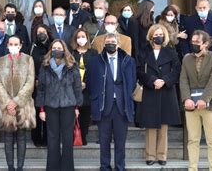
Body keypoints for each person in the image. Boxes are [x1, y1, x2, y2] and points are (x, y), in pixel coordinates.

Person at [86, 33, 137, 171]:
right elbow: (90, 84)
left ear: (118, 44)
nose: (110, 44)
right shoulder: (95, 61)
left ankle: (120, 167)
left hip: (122, 106)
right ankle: (105, 166)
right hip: (103, 106)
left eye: (113, 42)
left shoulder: (128, 61)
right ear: (104, 44)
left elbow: (132, 83)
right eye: (107, 42)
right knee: (104, 141)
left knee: (120, 141)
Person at [136, 24, 181, 166]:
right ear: (151, 36)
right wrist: (152, 80)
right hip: (150, 90)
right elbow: (138, 70)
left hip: (166, 91)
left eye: (161, 34)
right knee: (150, 125)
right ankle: (150, 156)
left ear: (165, 36)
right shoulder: (143, 52)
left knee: (163, 125)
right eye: (156, 34)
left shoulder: (171, 52)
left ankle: (162, 155)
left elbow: (177, 70)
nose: (158, 37)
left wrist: (165, 81)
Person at [36, 39, 83, 171]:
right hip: (50, 106)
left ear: (64, 49)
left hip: (68, 105)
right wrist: (41, 109)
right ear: (51, 49)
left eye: (59, 47)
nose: (57, 50)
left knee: (68, 139)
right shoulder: (45, 66)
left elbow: (77, 87)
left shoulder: (72, 65)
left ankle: (67, 168)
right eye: (54, 48)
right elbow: (41, 88)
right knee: (52, 139)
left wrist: (77, 107)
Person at [180, 30, 212, 171]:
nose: (193, 44)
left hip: (211, 106)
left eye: (197, 42)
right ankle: (192, 168)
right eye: (192, 42)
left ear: (205, 43)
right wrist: (186, 98)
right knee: (193, 140)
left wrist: (204, 99)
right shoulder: (187, 58)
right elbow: (183, 80)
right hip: (191, 106)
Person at [0, 35, 36, 171]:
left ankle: (20, 167)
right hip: (5, 106)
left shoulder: (28, 60)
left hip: (23, 105)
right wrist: (8, 103)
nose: (13, 46)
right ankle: (10, 167)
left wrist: (16, 102)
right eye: (10, 44)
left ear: (20, 45)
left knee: (22, 137)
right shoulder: (0, 61)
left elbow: (30, 82)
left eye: (16, 44)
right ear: (7, 45)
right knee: (8, 137)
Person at [70, 28, 98, 146]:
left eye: (83, 36)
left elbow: (95, 70)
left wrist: (86, 82)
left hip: (88, 88)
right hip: (73, 88)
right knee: (73, 112)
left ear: (87, 38)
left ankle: (83, 136)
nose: (81, 39)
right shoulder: (72, 53)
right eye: (78, 37)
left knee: (85, 113)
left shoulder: (93, 53)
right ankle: (73, 136)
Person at [29, 24, 53, 147]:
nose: (41, 33)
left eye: (43, 31)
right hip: (35, 84)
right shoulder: (32, 47)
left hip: (51, 85)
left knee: (49, 112)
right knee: (37, 111)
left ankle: (48, 139)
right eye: (39, 32)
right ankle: (37, 138)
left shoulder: (53, 46)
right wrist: (34, 79)